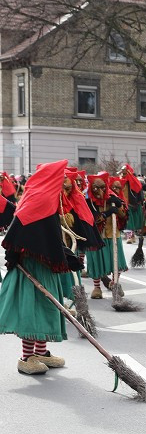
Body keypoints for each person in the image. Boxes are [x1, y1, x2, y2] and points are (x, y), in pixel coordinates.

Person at [0, 160, 79, 374]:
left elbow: (49, 236)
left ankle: (42, 353)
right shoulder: (39, 198)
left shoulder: (49, 198)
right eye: (62, 177)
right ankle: (26, 358)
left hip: (45, 267)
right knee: (31, 311)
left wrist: (65, 256)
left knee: (46, 308)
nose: (66, 181)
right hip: (32, 268)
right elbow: (17, 231)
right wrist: (14, 256)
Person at [85, 171, 127, 298]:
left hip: (113, 235)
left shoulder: (112, 198)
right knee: (96, 262)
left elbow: (124, 215)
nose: (100, 190)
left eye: (103, 187)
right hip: (96, 237)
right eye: (96, 187)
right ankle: (97, 288)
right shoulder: (87, 201)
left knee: (117, 262)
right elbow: (92, 219)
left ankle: (115, 283)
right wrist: (107, 213)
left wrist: (118, 205)